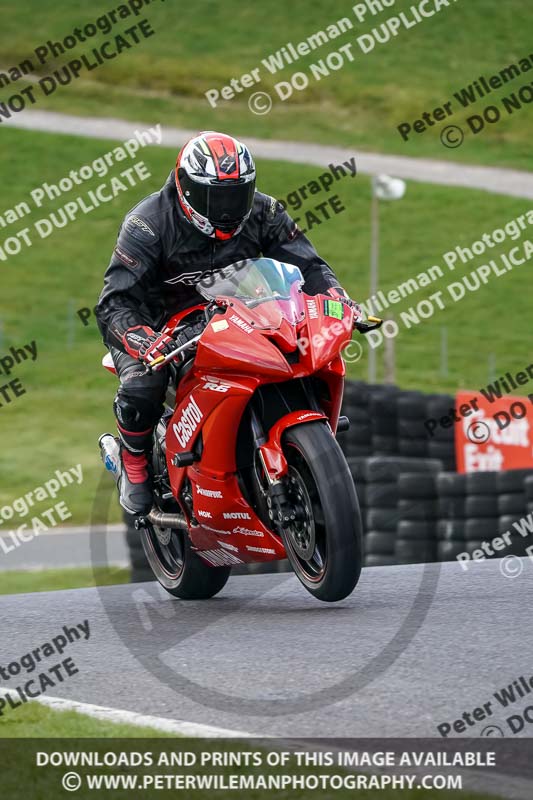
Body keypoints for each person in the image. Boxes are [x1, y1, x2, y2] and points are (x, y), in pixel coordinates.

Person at [96, 131, 360, 515]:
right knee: (143, 383)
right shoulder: (148, 225)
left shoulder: (264, 212)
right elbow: (115, 302)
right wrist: (143, 340)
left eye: (236, 195)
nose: (227, 208)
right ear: (185, 188)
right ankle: (134, 464)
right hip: (158, 328)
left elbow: (310, 266)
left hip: (237, 313)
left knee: (300, 348)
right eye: (215, 197)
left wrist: (337, 298)